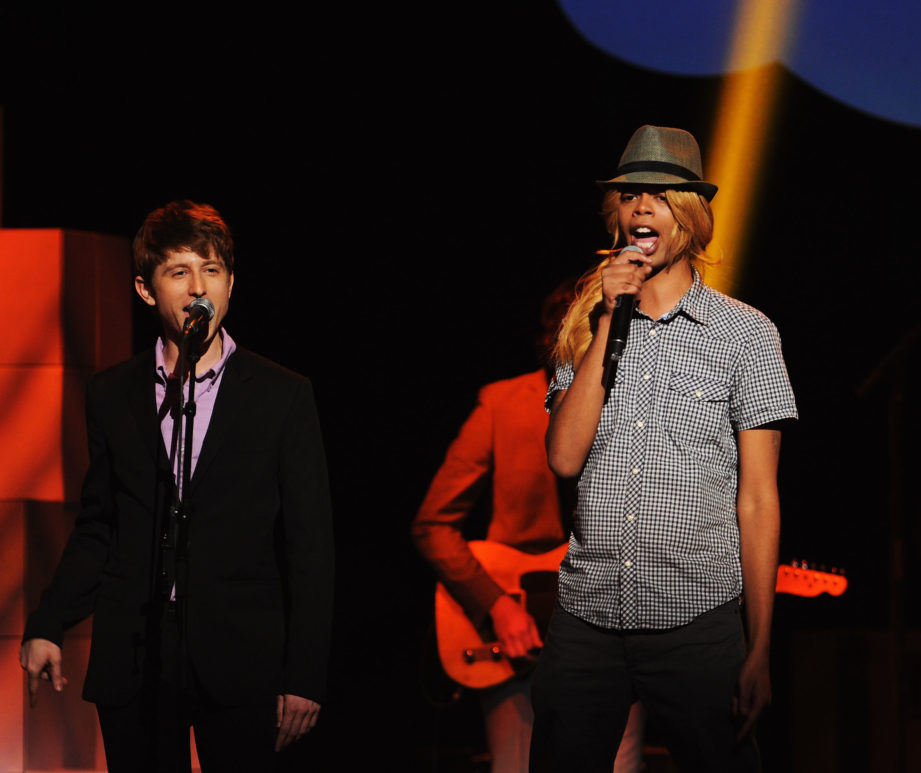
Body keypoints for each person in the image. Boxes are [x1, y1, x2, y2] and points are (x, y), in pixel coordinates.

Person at [19, 201, 334, 772]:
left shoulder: (280, 395)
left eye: (211, 271)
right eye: (179, 271)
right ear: (145, 288)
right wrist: (48, 621)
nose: (198, 288)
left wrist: (305, 673)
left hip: (239, 656)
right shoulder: (113, 394)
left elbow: (310, 545)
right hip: (137, 656)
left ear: (231, 283)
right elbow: (100, 524)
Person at [530, 125, 797, 772]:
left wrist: (758, 645)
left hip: (696, 624)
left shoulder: (746, 334)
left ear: (692, 217)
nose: (641, 206)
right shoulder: (586, 323)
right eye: (629, 195)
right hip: (587, 619)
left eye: (661, 193)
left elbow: (759, 499)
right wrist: (604, 323)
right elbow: (563, 458)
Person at [412, 285, 644, 773]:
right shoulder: (502, 403)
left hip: (613, 630)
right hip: (521, 642)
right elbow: (432, 524)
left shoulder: (638, 403)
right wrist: (496, 604)